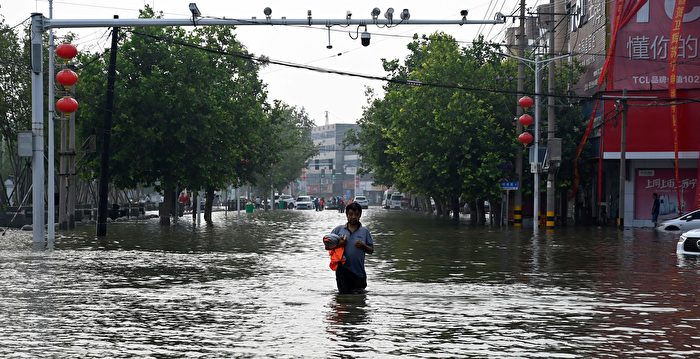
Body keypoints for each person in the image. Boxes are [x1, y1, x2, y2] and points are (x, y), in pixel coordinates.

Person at [330, 202, 374, 294]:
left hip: (359, 272)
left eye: (356, 214)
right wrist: (340, 244)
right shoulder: (338, 230)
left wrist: (363, 246)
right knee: (344, 298)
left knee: (359, 299)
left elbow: (371, 250)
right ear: (346, 215)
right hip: (342, 271)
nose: (353, 217)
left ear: (360, 215)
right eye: (351, 214)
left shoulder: (365, 231)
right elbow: (327, 246)